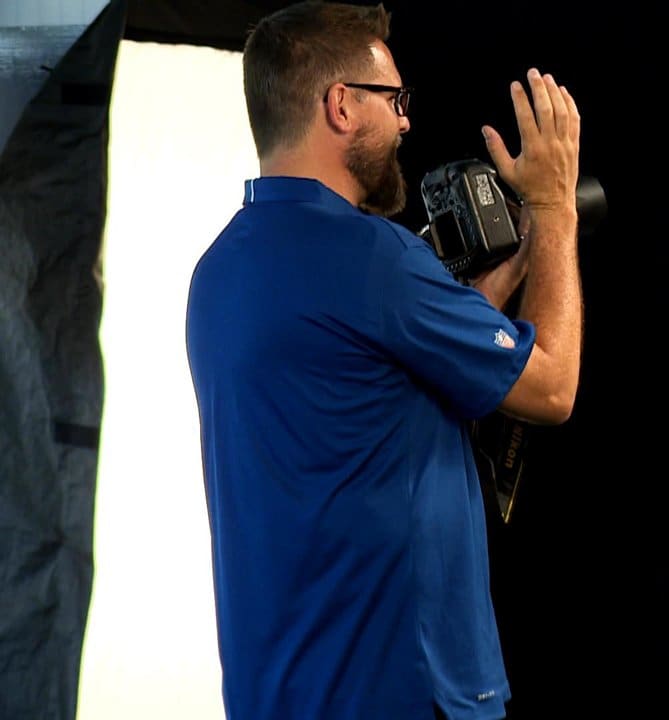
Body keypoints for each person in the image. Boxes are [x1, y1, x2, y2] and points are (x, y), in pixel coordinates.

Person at [184, 2, 583, 718]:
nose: (405, 121)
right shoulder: (372, 258)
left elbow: (373, 387)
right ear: (341, 105)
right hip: (398, 688)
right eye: (393, 99)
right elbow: (551, 387)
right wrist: (554, 208)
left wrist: (494, 288)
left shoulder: (217, 271)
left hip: (277, 693)